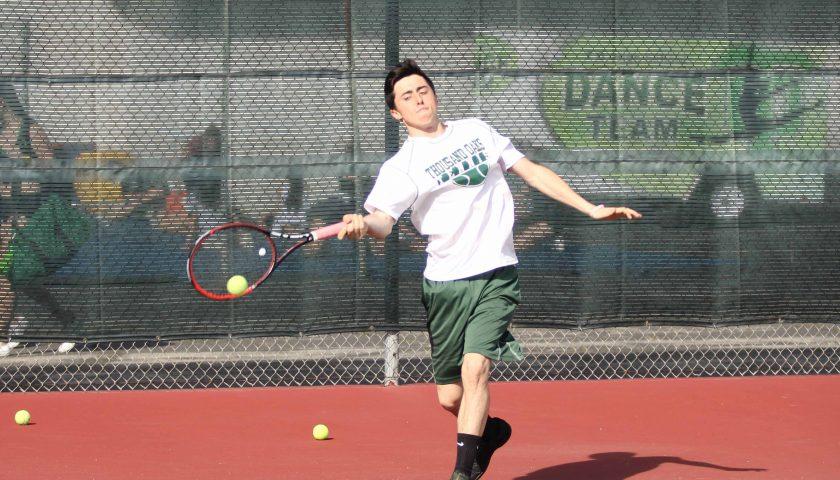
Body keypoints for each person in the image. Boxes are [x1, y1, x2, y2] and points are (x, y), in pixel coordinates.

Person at [338, 59, 642, 480]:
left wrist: (591, 208)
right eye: (406, 96)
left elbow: (531, 171)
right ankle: (489, 431)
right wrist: (361, 224)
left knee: (476, 368)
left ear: (434, 93)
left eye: (422, 89)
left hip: (496, 273)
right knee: (449, 397)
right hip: (444, 285)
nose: (418, 99)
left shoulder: (477, 132)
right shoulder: (400, 168)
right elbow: (381, 222)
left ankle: (462, 473)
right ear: (396, 113)